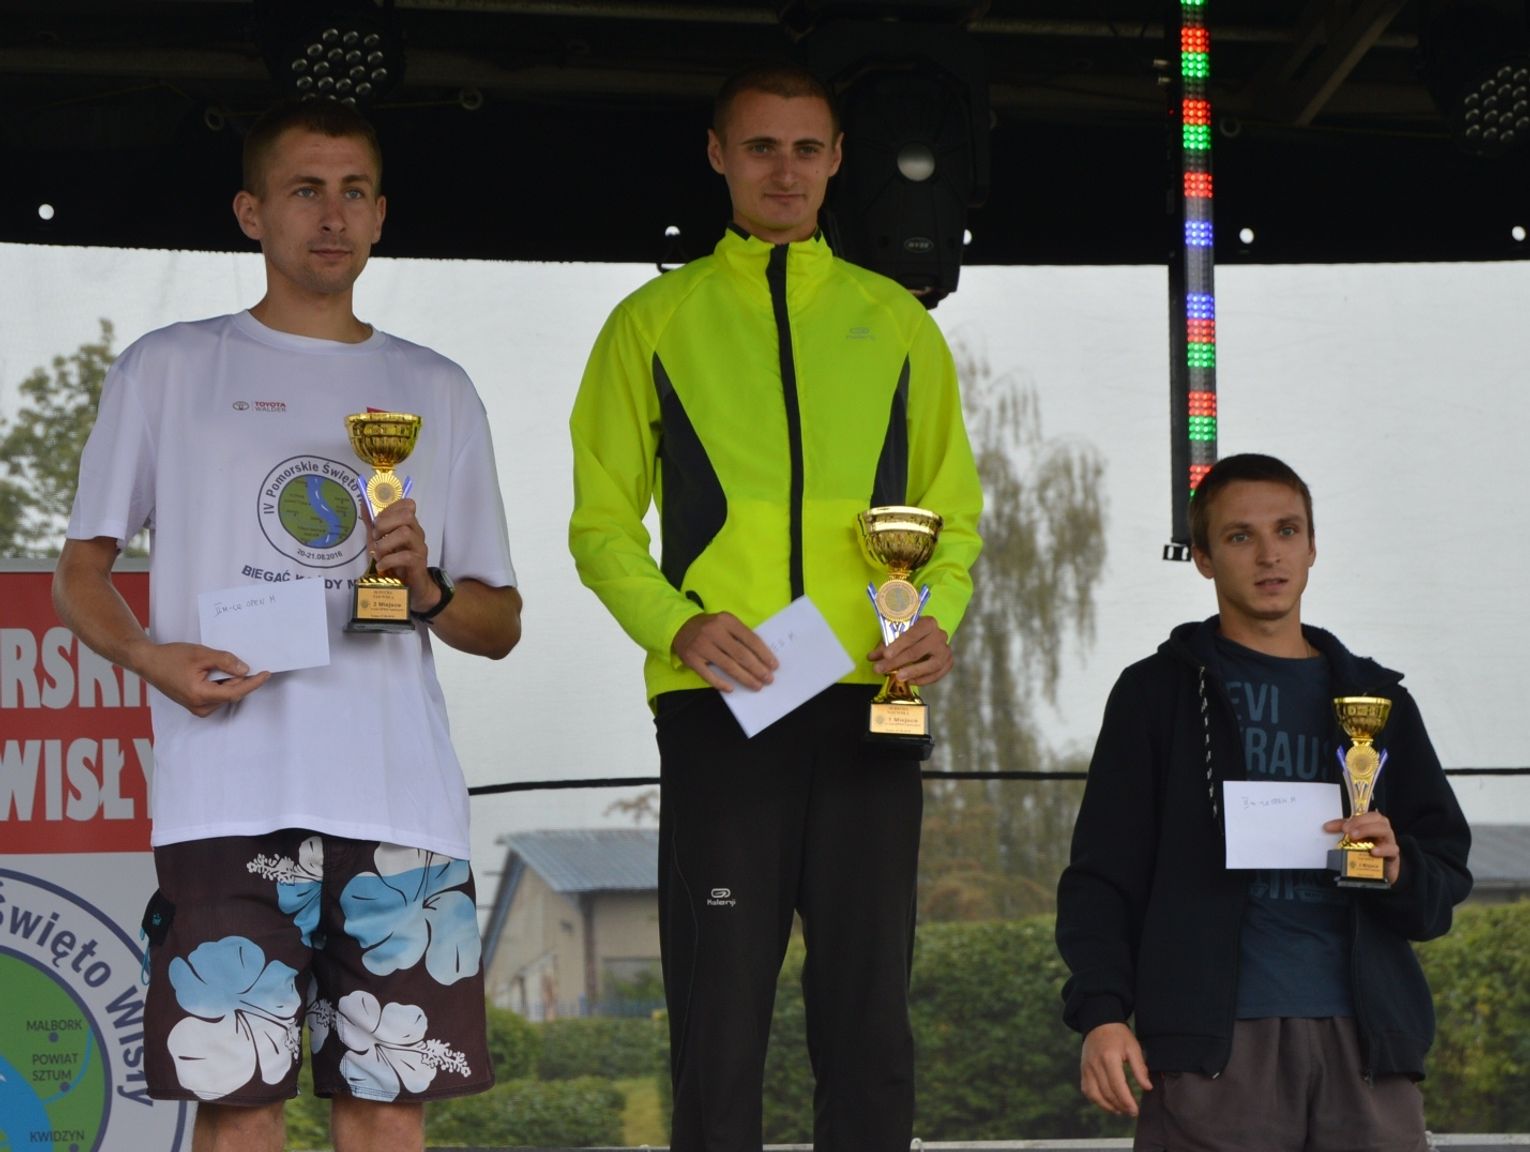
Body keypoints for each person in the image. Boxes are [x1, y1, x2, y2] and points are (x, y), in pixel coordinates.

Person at [52, 100, 521, 1152]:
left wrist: (428, 587)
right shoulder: (170, 368)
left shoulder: (437, 388)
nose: (332, 215)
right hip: (229, 797)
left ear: (383, 214)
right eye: (306, 190)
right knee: (241, 1110)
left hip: (402, 805)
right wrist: (146, 656)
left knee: (387, 1112)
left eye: (354, 192)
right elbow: (80, 573)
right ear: (250, 211)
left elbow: (499, 625)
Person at [567, 62, 983, 1151]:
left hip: (870, 699)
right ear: (718, 155)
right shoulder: (650, 323)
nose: (784, 171)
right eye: (760, 147)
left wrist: (934, 617)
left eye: (806, 148)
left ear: (839, 158)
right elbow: (601, 527)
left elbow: (953, 518)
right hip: (722, 701)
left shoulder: (899, 323)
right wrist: (679, 624)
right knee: (720, 1017)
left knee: (870, 1017)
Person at [1055, 453, 1472, 1152]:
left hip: (1369, 1046)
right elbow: (1102, 876)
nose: (1269, 554)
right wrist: (1101, 1013)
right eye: (1240, 536)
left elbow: (1445, 879)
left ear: (1312, 547)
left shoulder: (1379, 702)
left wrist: (1400, 869)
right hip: (1212, 1047)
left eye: (1286, 530)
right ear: (1204, 558)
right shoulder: (1155, 694)